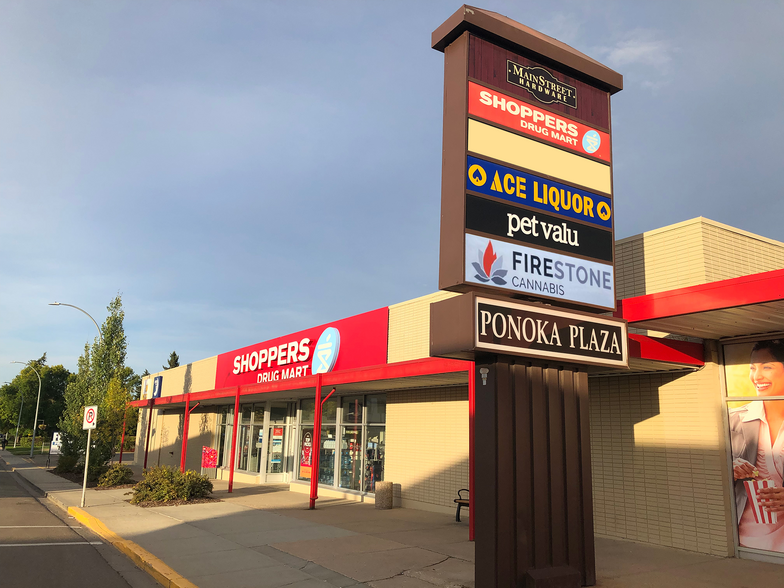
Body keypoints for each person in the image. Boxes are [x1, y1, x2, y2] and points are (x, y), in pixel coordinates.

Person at [730, 339, 784, 552]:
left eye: (767, 367)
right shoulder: (734, 420)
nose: (757, 376)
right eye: (753, 368)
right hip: (746, 538)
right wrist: (729, 468)